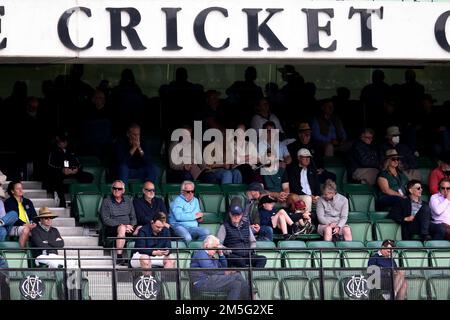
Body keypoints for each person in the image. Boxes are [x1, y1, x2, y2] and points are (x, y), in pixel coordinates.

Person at [190, 235, 249, 300]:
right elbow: (210, 270)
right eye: (214, 247)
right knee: (237, 275)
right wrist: (226, 272)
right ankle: (250, 297)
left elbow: (224, 267)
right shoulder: (201, 253)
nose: (216, 250)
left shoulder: (211, 256)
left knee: (236, 284)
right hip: (202, 282)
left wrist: (221, 254)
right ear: (206, 245)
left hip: (212, 280)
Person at [46, 131, 94, 207]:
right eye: (61, 142)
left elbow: (79, 163)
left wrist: (76, 169)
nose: (63, 143)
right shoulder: (53, 152)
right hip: (61, 173)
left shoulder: (71, 151)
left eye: (64, 141)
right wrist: (62, 170)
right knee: (57, 179)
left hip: (73, 172)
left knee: (89, 177)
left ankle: (82, 199)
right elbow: (50, 165)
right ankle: (62, 202)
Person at [217, 202, 267, 268]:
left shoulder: (246, 225)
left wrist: (251, 250)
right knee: (240, 261)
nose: (236, 217)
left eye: (238, 215)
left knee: (262, 259)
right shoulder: (224, 226)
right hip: (233, 255)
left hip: (247, 255)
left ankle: (254, 276)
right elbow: (218, 244)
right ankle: (246, 277)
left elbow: (253, 241)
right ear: (230, 214)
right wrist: (227, 251)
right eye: (234, 214)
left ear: (242, 215)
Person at [100, 180, 136, 265]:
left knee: (141, 229)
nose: (117, 190)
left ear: (123, 190)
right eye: (114, 188)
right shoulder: (106, 201)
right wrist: (121, 225)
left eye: (119, 189)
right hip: (112, 228)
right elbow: (105, 219)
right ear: (112, 189)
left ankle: (136, 258)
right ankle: (119, 257)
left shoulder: (128, 201)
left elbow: (133, 217)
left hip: (128, 228)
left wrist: (131, 225)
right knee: (122, 228)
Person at [4, 181, 37, 247]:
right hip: (13, 226)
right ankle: (22, 253)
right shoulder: (8, 202)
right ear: (12, 191)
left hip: (29, 225)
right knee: (25, 229)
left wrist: (34, 223)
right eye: (17, 189)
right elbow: (12, 218)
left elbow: (34, 216)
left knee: (42, 229)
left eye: (21, 188)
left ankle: (43, 252)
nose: (20, 190)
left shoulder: (27, 201)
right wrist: (25, 224)